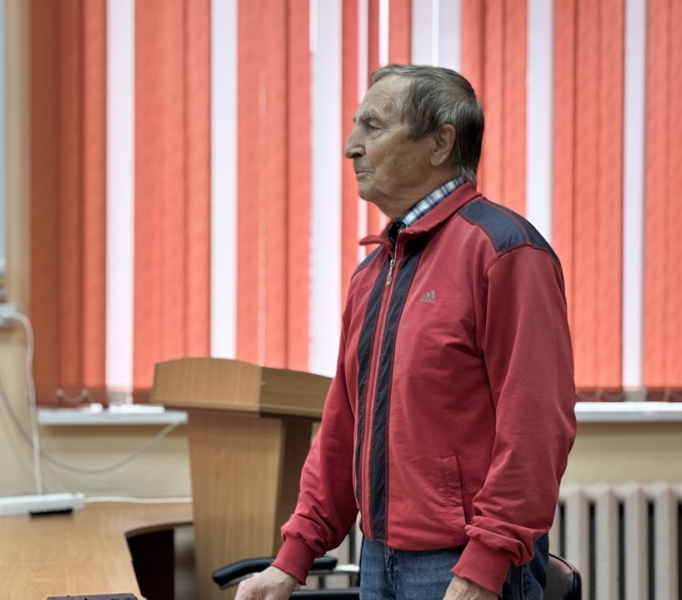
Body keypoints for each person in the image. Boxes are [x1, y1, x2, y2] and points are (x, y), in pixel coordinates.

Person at [235, 64, 576, 600]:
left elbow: (534, 428)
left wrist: (484, 565)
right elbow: (343, 427)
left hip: (462, 567)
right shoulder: (374, 271)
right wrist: (292, 558)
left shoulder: (505, 252)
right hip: (379, 560)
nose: (351, 146)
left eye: (373, 126)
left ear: (440, 143)